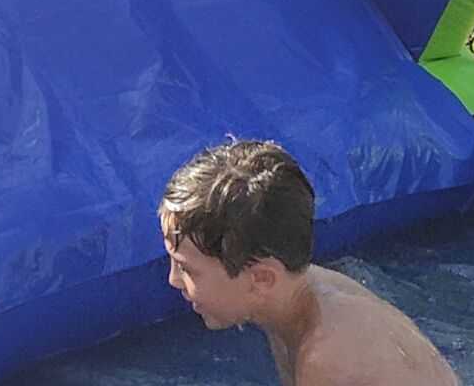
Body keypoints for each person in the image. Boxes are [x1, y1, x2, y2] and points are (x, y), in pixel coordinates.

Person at [159, 140, 458, 386]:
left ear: (262, 280)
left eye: (187, 269)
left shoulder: (327, 360)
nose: (173, 280)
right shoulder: (294, 296)